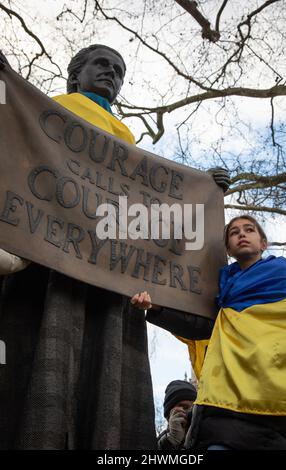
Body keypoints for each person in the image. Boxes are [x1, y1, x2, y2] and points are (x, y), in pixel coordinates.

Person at [0, 45, 156, 450]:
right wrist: (7, 83)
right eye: (102, 65)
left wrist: (206, 192)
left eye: (119, 71)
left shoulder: (131, 146)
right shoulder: (42, 112)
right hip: (42, 261)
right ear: (75, 74)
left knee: (101, 383)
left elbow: (150, 208)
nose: (112, 74)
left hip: (106, 277)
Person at [132, 215, 286, 450]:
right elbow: (200, 327)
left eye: (249, 229)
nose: (241, 234)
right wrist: (155, 306)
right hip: (221, 417)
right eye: (234, 232)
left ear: (263, 243)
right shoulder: (223, 295)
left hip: (268, 415)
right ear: (228, 249)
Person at [157, 380, 197, 450]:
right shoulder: (154, 444)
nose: (190, 412)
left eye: (194, 408)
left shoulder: (206, 437)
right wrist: (170, 441)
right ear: (168, 415)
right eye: (184, 407)